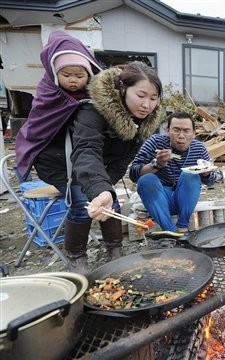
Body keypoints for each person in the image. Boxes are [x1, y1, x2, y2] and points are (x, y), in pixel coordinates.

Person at [34, 60, 162, 274]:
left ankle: (115, 251)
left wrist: (105, 188)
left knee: (108, 200)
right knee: (82, 202)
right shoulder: (92, 110)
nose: (146, 105)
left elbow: (123, 160)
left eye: (153, 98)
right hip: (61, 162)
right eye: (141, 96)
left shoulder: (145, 119)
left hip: (95, 164)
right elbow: (86, 150)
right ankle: (76, 258)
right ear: (123, 89)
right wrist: (98, 187)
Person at [15, 30, 102, 181]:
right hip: (54, 159)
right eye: (66, 75)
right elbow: (38, 123)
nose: (73, 80)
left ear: (89, 75)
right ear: (54, 73)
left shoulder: (95, 95)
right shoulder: (48, 93)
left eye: (79, 76)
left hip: (83, 158)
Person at [129, 112, 217, 233]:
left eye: (186, 131)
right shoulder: (156, 142)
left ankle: (182, 227)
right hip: (159, 200)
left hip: (185, 201)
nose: (181, 136)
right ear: (167, 130)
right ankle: (169, 231)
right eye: (176, 130)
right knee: (146, 180)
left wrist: (206, 173)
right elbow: (133, 173)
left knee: (190, 175)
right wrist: (156, 164)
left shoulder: (199, 148)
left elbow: (212, 181)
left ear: (194, 134)